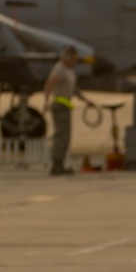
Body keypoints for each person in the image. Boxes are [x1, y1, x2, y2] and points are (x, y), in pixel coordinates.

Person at [42, 46, 94, 175]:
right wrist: (45, 102)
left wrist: (86, 100)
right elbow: (49, 83)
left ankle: (60, 164)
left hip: (65, 105)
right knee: (61, 136)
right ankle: (57, 165)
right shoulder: (60, 69)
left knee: (65, 136)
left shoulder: (68, 70)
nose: (75, 61)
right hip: (60, 106)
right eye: (74, 58)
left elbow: (73, 89)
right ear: (68, 57)